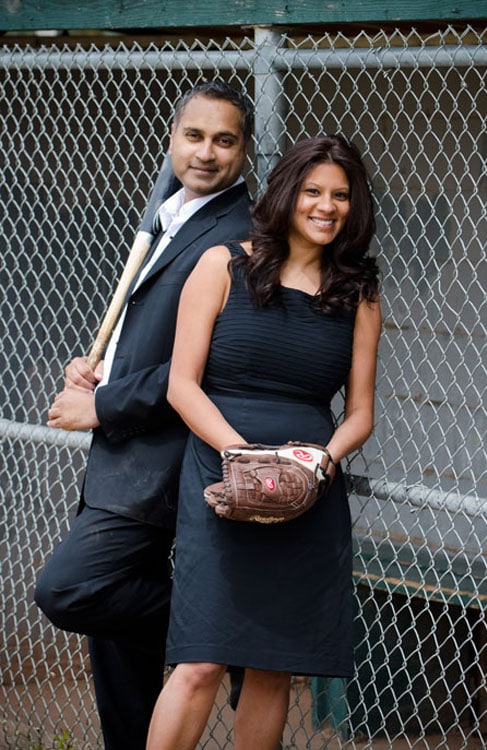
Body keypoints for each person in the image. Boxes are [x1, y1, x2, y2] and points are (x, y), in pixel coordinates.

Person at [34, 80, 254, 750]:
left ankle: (221, 628)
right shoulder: (171, 212)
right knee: (118, 653)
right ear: (171, 139)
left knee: (69, 590)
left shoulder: (240, 235)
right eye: (194, 136)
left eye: (225, 140)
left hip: (163, 460)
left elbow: (207, 367)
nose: (207, 152)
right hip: (123, 454)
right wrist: (101, 368)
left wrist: (100, 404)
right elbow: (152, 335)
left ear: (245, 149)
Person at [146, 134, 382, 750]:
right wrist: (245, 459)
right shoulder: (223, 264)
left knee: (273, 667)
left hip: (306, 492)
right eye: (312, 191)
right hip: (224, 480)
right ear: (286, 194)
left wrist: (315, 466)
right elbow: (181, 385)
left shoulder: (359, 293)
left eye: (341, 196)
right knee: (199, 662)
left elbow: (359, 414)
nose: (326, 206)